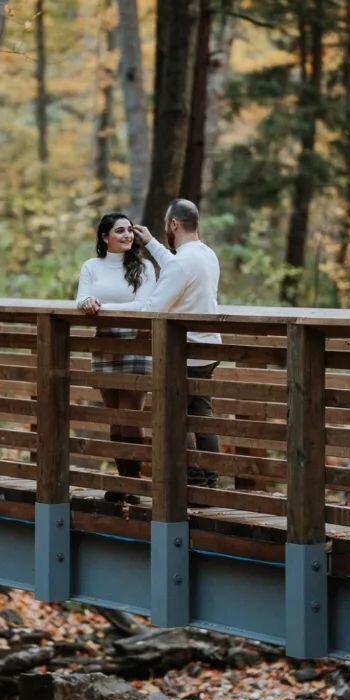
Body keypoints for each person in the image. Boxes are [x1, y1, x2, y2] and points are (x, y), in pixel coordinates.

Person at [134, 200, 222, 489]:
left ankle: (194, 481)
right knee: (202, 414)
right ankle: (211, 479)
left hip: (185, 352)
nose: (163, 228)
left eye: (164, 223)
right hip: (208, 348)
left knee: (176, 415)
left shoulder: (181, 263)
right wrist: (151, 243)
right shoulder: (206, 254)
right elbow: (176, 267)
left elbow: (153, 309)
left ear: (174, 224)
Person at [76, 212, 156, 503]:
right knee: (114, 416)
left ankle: (132, 484)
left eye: (130, 231)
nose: (127, 235)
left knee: (130, 414)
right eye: (120, 231)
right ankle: (121, 483)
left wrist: (105, 307)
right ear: (104, 236)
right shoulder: (91, 266)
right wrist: (87, 302)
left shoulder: (144, 267)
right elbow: (81, 297)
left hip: (135, 342)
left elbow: (146, 304)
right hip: (105, 343)